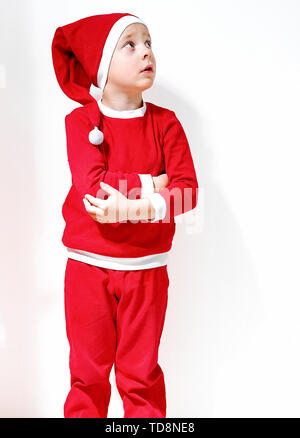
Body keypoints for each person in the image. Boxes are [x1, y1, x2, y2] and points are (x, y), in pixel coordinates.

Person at [51, 12, 198, 418]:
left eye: (148, 42)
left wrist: (131, 207)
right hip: (87, 269)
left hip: (146, 271)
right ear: (101, 63)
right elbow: (93, 190)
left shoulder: (166, 124)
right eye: (130, 44)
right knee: (87, 375)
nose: (146, 51)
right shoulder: (81, 122)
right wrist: (154, 185)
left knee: (141, 375)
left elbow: (188, 195)